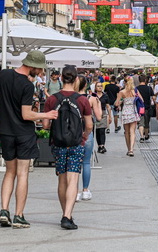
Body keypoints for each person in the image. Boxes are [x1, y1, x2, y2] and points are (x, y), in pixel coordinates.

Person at [0, 50, 58, 229]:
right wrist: (46, 114)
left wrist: (5, 102)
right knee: (23, 173)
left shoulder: (4, 74)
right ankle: (19, 215)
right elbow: (26, 115)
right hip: (23, 134)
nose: (40, 73)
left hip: (6, 132)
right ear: (33, 66)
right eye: (40, 69)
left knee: (9, 172)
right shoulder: (27, 86)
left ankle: (4, 211)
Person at [43, 65, 92, 230]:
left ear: (61, 78)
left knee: (62, 179)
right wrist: (84, 135)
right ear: (76, 79)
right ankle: (67, 216)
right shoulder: (82, 100)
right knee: (73, 179)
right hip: (76, 143)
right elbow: (90, 125)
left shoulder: (52, 99)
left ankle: (65, 213)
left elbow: (45, 125)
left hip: (58, 143)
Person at [75, 75, 102, 202]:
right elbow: (99, 117)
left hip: (73, 132)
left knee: (74, 163)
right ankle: (85, 190)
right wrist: (99, 104)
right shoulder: (91, 99)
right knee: (86, 162)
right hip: (87, 131)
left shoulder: (71, 98)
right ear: (86, 85)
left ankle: (74, 191)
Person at [114, 76, 140, 156]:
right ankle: (131, 149)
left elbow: (116, 103)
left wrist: (121, 101)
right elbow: (142, 100)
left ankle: (128, 149)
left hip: (125, 112)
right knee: (132, 131)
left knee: (127, 132)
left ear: (124, 82)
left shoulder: (122, 92)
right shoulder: (135, 91)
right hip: (133, 111)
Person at [93, 82, 112, 153]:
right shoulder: (93, 95)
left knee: (102, 130)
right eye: (98, 86)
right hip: (95, 114)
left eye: (101, 86)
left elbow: (108, 106)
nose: (100, 87)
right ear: (95, 87)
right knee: (97, 131)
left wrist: (110, 116)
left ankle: (102, 145)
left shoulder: (105, 96)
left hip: (103, 114)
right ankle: (99, 146)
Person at [135, 74, 155, 143]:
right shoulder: (149, 88)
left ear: (139, 80)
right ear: (146, 80)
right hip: (147, 107)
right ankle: (146, 135)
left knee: (141, 123)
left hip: (139, 108)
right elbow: (153, 97)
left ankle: (141, 136)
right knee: (146, 123)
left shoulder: (136, 88)